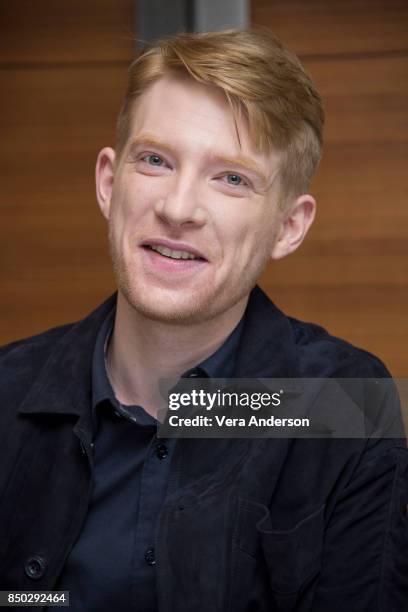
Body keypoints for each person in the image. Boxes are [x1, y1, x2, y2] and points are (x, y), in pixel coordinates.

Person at [0, 28, 407, 612]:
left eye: (232, 178)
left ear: (289, 227)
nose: (178, 207)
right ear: (110, 184)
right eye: (156, 161)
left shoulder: (350, 404)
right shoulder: (7, 392)